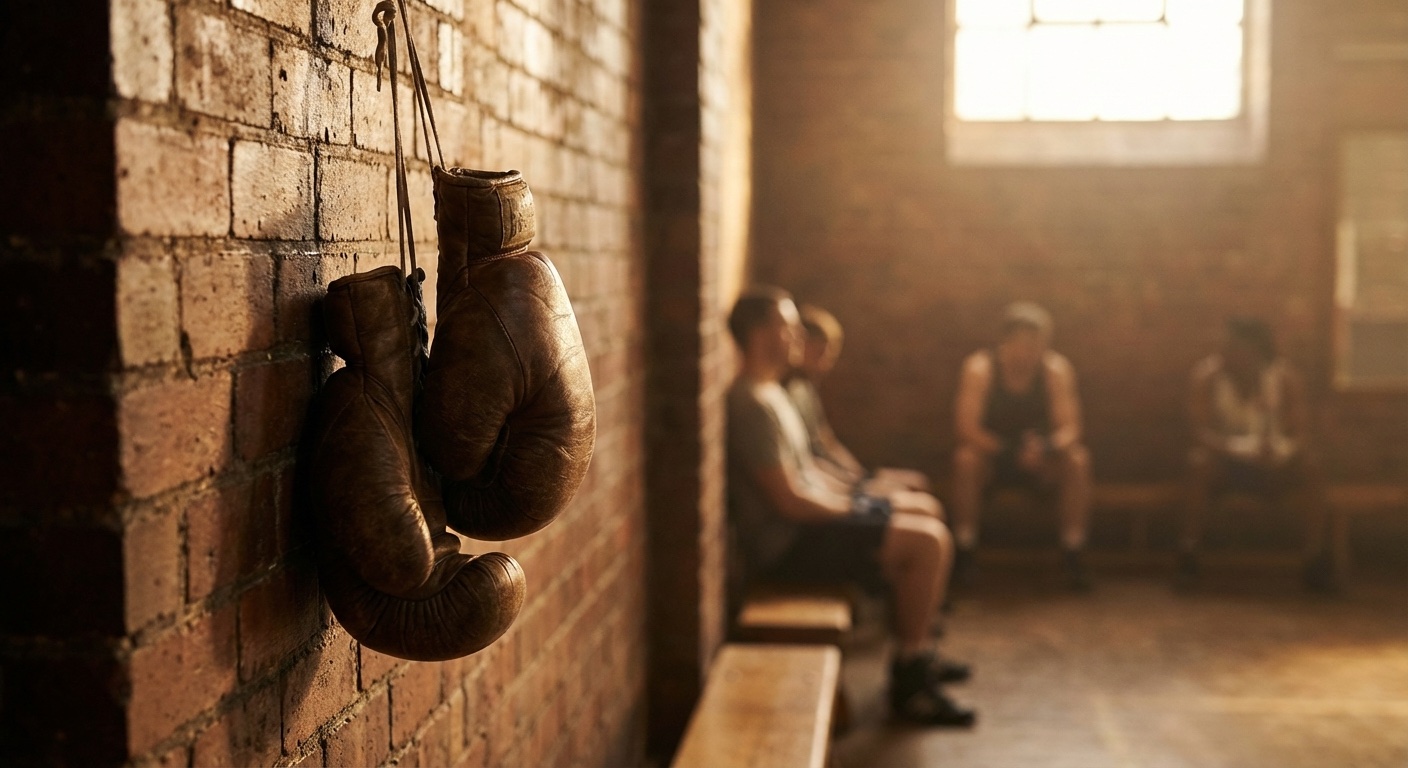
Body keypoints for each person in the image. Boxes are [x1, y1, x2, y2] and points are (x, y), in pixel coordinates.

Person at [727, 287, 976, 727]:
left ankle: (915, 652)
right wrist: (856, 509)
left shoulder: (772, 393)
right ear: (762, 333)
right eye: (788, 327)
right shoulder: (751, 403)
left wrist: (864, 500)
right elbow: (789, 502)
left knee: (920, 518)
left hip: (809, 527)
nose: (797, 336)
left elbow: (811, 473)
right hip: (789, 546)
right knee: (928, 543)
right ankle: (910, 681)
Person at [1178, 317, 1336, 592]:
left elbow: (1301, 432)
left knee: (1313, 466)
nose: (1226, 353)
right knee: (1197, 464)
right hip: (1228, 464)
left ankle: (1315, 556)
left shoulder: (1285, 378)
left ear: (1255, 351)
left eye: (1234, 348)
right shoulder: (1206, 377)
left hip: (1274, 465)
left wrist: (1281, 451)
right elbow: (1198, 432)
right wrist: (1234, 448)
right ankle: (1188, 554)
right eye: (1225, 347)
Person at [951, 302, 1093, 591]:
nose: (1029, 353)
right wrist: (1009, 450)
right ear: (1006, 340)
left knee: (1078, 461)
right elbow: (966, 428)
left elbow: (1071, 429)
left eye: (1037, 345)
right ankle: (965, 552)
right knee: (965, 461)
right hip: (994, 457)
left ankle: (1072, 553)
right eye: (1023, 344)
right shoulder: (980, 368)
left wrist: (1047, 447)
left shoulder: (1055, 370)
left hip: (1040, 459)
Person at [787, 304, 932, 496]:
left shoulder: (805, 388)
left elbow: (827, 441)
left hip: (839, 476)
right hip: (824, 483)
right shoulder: (786, 395)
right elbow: (806, 461)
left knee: (918, 483)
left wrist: (860, 475)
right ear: (801, 344)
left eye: (829, 354)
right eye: (819, 352)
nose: (825, 363)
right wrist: (855, 487)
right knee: (916, 503)